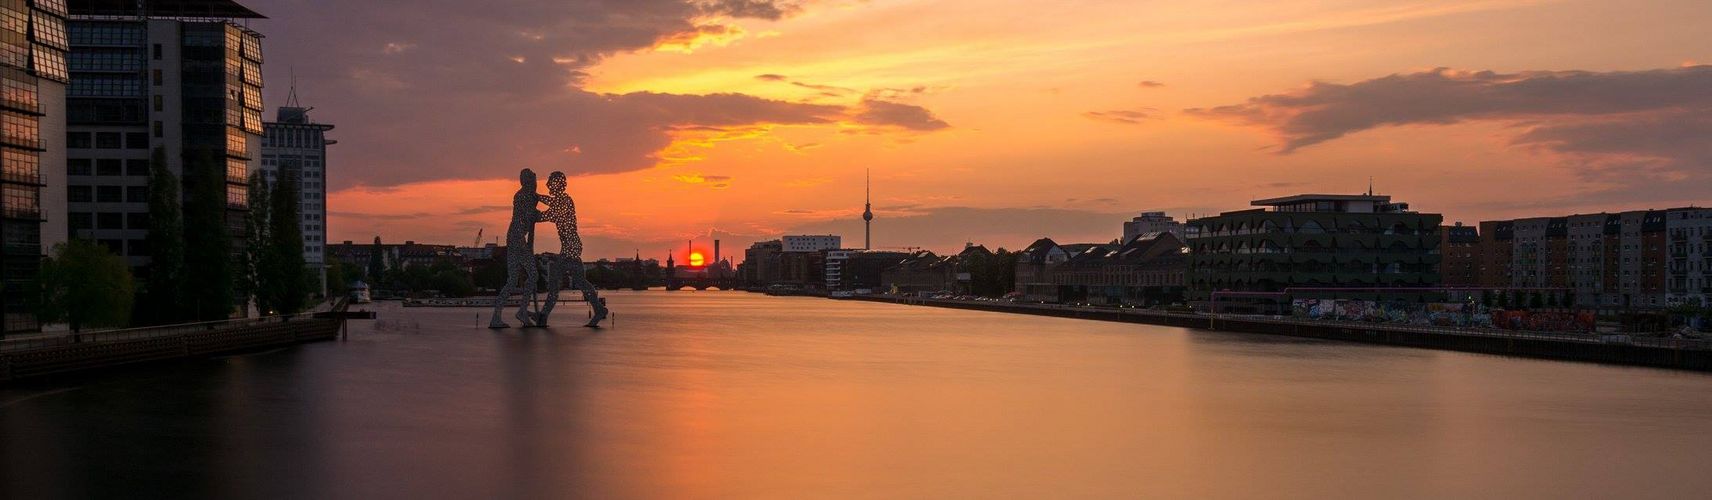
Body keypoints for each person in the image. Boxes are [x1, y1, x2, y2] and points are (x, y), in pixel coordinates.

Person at [536, 171, 608, 327]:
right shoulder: (561, 201)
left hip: (571, 247)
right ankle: (599, 309)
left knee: (555, 279)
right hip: (571, 246)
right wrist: (537, 198)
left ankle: (543, 316)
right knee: (581, 282)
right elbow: (550, 204)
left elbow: (547, 214)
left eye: (551, 182)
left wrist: (534, 200)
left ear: (558, 185)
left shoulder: (565, 201)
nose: (548, 185)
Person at [489, 169, 542, 328]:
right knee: (533, 275)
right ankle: (522, 311)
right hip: (517, 240)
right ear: (528, 181)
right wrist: (548, 215)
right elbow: (530, 215)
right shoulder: (523, 196)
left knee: (512, 281)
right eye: (533, 180)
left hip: (513, 239)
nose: (536, 183)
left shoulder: (529, 196)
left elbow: (534, 211)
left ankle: (496, 316)